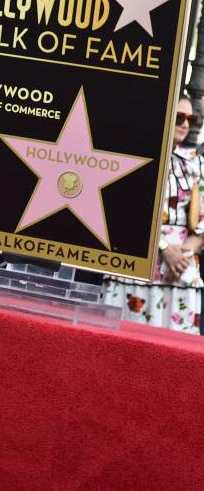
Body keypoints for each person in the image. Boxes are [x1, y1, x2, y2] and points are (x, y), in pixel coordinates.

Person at [103, 96, 204, 334]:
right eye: (179, 117)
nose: (185, 124)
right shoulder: (133, 159)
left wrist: (183, 255)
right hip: (136, 262)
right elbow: (121, 211)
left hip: (180, 269)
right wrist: (162, 246)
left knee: (175, 355)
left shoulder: (196, 164)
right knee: (124, 346)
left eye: (191, 119)